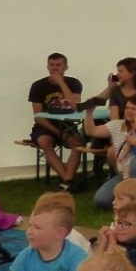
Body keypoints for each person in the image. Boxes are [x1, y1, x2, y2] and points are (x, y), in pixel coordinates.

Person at [28, 54, 86, 190]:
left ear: (66, 67)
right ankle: (68, 180)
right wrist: (57, 133)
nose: (54, 68)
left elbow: (75, 106)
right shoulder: (38, 86)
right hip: (45, 125)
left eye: (58, 65)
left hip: (66, 123)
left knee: (77, 143)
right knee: (45, 142)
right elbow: (38, 116)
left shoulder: (74, 83)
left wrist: (61, 83)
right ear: (47, 66)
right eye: (51, 65)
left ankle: (67, 182)